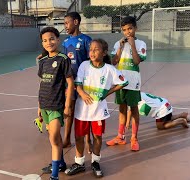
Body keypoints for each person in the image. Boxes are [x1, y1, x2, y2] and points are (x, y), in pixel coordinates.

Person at [65, 39, 128, 178]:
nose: (92, 52)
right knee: (79, 137)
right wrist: (82, 93)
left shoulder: (109, 69)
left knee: (97, 137)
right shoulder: (84, 65)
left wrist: (107, 92)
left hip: (98, 111)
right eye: (91, 49)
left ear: (104, 52)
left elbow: (123, 82)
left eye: (96, 49)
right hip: (82, 109)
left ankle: (95, 162)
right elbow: (78, 83)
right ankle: (79, 163)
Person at [38, 27, 74, 180]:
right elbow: (42, 83)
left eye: (52, 39)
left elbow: (70, 82)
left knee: (53, 138)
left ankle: (54, 176)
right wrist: (38, 107)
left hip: (57, 105)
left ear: (58, 40)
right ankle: (60, 163)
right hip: (44, 104)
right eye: (45, 40)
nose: (49, 42)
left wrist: (67, 106)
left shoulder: (63, 59)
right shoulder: (42, 61)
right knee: (55, 138)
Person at [106, 16, 147, 151]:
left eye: (130, 28)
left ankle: (134, 137)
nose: (127, 32)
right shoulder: (119, 44)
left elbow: (136, 61)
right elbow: (114, 61)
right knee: (122, 109)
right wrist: (120, 48)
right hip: (121, 81)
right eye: (124, 30)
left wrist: (132, 45)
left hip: (133, 82)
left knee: (133, 109)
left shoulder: (141, 44)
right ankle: (120, 136)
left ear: (135, 28)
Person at [62, 12, 93, 151]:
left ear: (76, 22)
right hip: (70, 82)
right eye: (64, 23)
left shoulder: (86, 40)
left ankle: (88, 140)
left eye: (67, 23)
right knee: (69, 111)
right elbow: (63, 61)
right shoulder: (65, 42)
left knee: (87, 110)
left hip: (85, 83)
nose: (65, 26)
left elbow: (92, 61)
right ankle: (67, 139)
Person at [125, 92, 190, 130]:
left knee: (160, 126)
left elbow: (129, 110)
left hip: (162, 109)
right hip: (165, 104)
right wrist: (128, 123)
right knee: (167, 119)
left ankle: (181, 121)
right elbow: (130, 110)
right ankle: (182, 115)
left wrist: (127, 123)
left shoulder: (132, 98)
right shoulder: (139, 93)